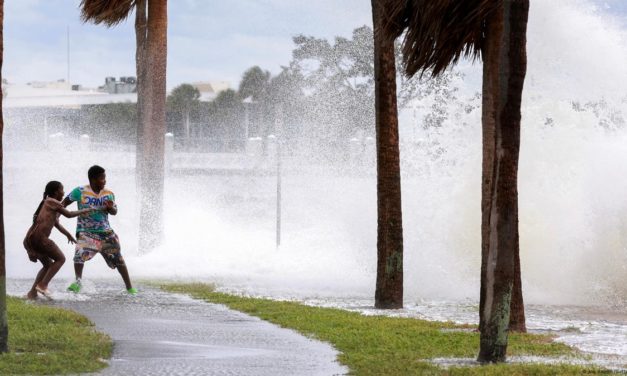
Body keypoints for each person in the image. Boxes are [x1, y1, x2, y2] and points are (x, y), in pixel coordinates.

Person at [62, 165, 137, 294]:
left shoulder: (109, 194)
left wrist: (110, 208)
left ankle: (129, 288)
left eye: (105, 178)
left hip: (106, 233)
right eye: (102, 178)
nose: (105, 181)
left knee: (119, 260)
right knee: (79, 256)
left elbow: (114, 212)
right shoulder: (79, 191)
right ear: (93, 179)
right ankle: (78, 283)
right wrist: (55, 215)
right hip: (87, 232)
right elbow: (63, 204)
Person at [23, 181, 94, 299]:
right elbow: (69, 214)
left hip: (31, 239)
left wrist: (68, 235)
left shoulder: (47, 204)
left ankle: (32, 293)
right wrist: (84, 210)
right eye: (62, 190)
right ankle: (42, 285)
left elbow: (56, 224)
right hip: (40, 239)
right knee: (61, 259)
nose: (64, 192)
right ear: (56, 192)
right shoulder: (52, 201)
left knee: (47, 265)